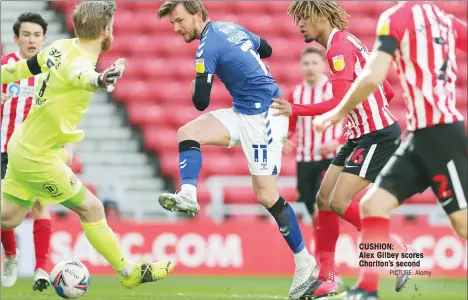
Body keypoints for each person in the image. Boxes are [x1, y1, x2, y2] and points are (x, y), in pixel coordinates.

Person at [1, 1, 173, 290]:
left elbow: (21, 69)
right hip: (38, 157)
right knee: (92, 209)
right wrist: (102, 79)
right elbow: (83, 77)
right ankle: (128, 272)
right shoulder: (80, 61)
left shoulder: (60, 47)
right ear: (106, 30)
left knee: (8, 218)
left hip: (24, 145)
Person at [157, 1, 317, 299]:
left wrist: (197, 87)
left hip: (265, 117)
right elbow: (266, 48)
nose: (176, 28)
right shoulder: (230, 27)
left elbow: (202, 100)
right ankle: (188, 195)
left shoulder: (207, 46)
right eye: (172, 23)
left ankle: (304, 262)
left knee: (266, 195)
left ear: (198, 14)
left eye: (179, 20)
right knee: (188, 132)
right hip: (244, 111)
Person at [313, 1, 467, 299]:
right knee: (372, 206)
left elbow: (372, 76)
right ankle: (366, 290)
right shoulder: (445, 20)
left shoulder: (395, 17)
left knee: (462, 224)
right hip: (419, 135)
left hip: (441, 133)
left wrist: (336, 113)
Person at [272, 1, 411, 298]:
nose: (300, 25)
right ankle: (327, 277)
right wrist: (370, 106)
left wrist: (293, 109)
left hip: (376, 135)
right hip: (358, 134)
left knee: (338, 201)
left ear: (321, 17)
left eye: (304, 18)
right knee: (323, 199)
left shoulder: (338, 48)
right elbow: (387, 89)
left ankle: (397, 252)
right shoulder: (347, 41)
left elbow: (337, 101)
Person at [0, 12, 66, 291]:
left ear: (44, 39)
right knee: (5, 214)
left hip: (39, 152)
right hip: (4, 149)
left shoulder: (52, 73)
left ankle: (41, 268)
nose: (31, 39)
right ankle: (11, 256)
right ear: (16, 38)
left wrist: (65, 146)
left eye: (37, 35)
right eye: (26, 34)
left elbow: (62, 114)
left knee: (41, 206)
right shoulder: (5, 66)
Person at [284, 46, 345, 227]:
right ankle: (323, 240)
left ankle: (327, 245)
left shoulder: (336, 91)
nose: (310, 67)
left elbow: (353, 120)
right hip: (305, 157)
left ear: (323, 66)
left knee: (324, 201)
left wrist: (338, 142)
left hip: (332, 157)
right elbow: (291, 125)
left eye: (314, 63)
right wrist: (283, 140)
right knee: (309, 202)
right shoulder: (295, 94)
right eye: (306, 63)